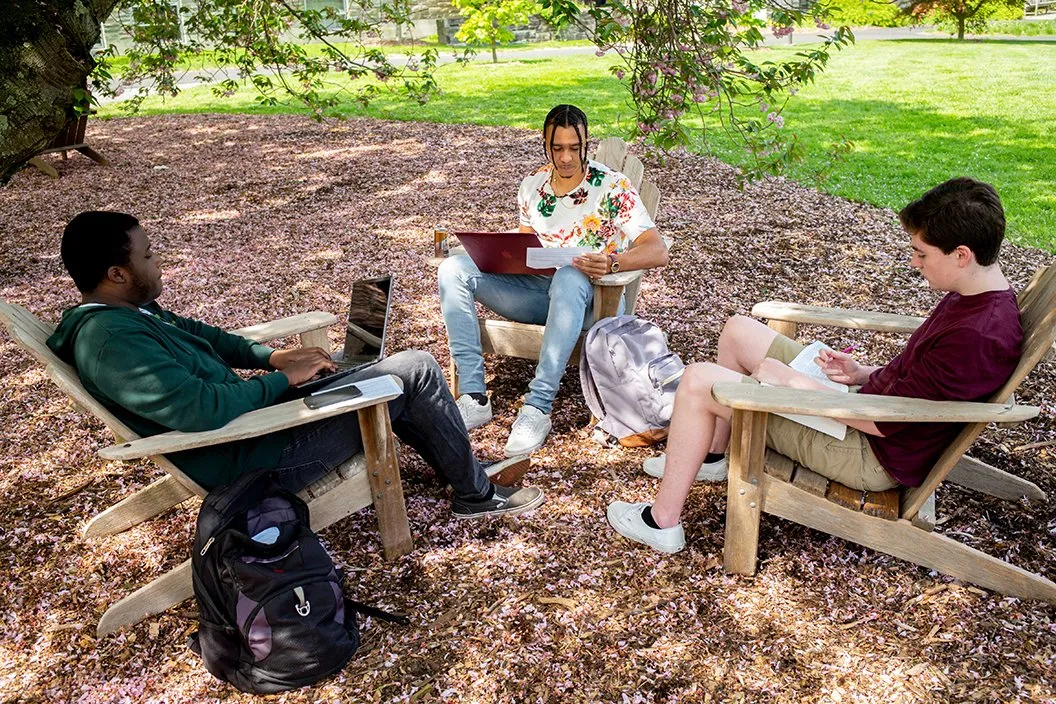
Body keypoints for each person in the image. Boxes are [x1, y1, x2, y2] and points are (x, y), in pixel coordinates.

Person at [607, 177, 1023, 553]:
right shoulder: (975, 295)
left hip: (869, 451)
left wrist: (794, 384)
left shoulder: (977, 336)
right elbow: (922, 383)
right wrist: (863, 374)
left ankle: (661, 523)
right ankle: (712, 457)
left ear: (962, 254)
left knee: (699, 381)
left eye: (921, 253)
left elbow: (892, 423)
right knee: (738, 331)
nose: (915, 262)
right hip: (866, 406)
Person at [46, 211, 544, 519]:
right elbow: (201, 411)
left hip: (258, 427)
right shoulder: (111, 340)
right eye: (149, 255)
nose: (158, 264)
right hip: (255, 459)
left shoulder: (129, 312)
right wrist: (283, 382)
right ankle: (475, 494)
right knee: (413, 371)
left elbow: (207, 338)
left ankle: (466, 474)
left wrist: (273, 357)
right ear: (117, 273)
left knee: (377, 367)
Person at [438, 104, 670, 456]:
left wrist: (610, 262)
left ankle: (537, 407)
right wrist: (496, 255)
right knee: (452, 269)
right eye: (557, 148)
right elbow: (524, 245)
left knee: (569, 276)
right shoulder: (532, 186)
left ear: (586, 143)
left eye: (574, 148)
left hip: (596, 301)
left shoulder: (612, 187)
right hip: (540, 295)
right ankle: (473, 395)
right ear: (545, 145)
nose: (565, 157)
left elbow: (657, 251)